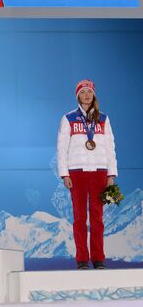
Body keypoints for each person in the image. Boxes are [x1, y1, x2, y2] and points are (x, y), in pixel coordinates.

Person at [57, 79, 117, 270]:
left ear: (94, 95)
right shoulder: (68, 119)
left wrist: (111, 174)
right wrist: (64, 174)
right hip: (77, 173)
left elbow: (110, 148)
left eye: (89, 92)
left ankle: (98, 259)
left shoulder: (104, 119)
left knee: (98, 218)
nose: (86, 95)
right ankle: (82, 259)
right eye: (82, 92)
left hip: (100, 172)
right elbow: (61, 148)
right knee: (80, 218)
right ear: (77, 96)